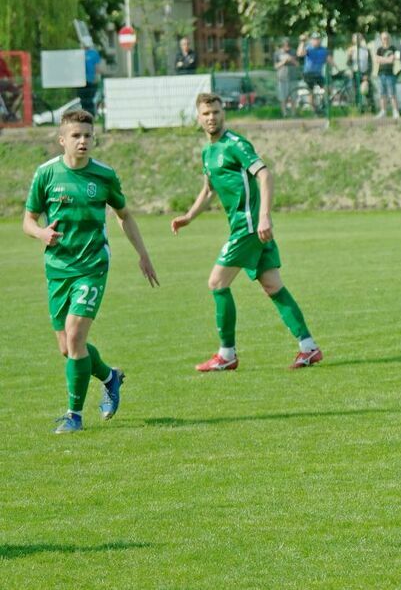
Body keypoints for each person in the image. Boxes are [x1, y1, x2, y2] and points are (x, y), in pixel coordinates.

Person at [23, 109, 159, 433]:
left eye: (87, 135)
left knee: (75, 336)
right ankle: (110, 377)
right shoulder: (46, 175)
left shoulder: (104, 175)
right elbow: (28, 220)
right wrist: (41, 233)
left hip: (93, 265)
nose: (82, 141)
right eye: (76, 136)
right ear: (62, 140)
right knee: (67, 348)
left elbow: (123, 215)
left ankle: (74, 416)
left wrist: (143, 254)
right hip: (57, 268)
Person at [170, 93, 323, 372]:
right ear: (198, 117)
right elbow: (209, 190)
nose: (211, 117)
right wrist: (189, 216)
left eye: (216, 112)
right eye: (206, 113)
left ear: (223, 113)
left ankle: (226, 354)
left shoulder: (236, 144)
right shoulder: (208, 151)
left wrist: (264, 216)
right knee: (273, 286)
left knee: (217, 283)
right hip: (248, 225)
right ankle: (308, 348)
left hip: (249, 224)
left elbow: (264, 175)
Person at [297, 32, 333, 112]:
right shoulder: (309, 48)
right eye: (314, 39)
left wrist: (337, 69)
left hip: (318, 74)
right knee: (311, 91)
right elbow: (300, 54)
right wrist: (302, 42)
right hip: (309, 74)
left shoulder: (323, 50)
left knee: (328, 88)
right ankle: (314, 110)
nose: (316, 41)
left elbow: (330, 60)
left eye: (318, 39)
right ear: (311, 40)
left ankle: (323, 103)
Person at [374, 30, 401, 119]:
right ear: (381, 39)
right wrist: (387, 59)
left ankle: (395, 111)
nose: (385, 40)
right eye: (383, 38)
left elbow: (393, 59)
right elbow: (377, 60)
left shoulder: (393, 48)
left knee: (392, 93)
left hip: (390, 74)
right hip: (380, 74)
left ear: (389, 39)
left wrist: (383, 59)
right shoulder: (379, 49)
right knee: (382, 94)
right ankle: (383, 111)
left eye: (386, 38)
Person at [273, 38, 300, 117]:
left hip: (293, 78)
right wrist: (284, 61)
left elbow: (297, 64)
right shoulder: (277, 53)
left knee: (293, 97)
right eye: (285, 45)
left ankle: (293, 113)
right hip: (282, 78)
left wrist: (291, 59)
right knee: (283, 97)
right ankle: (284, 114)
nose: (287, 47)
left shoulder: (294, 52)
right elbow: (275, 66)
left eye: (288, 45)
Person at [77, 43, 104, 117]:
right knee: (83, 99)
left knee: (89, 99)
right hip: (81, 80)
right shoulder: (79, 53)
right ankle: (85, 114)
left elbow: (97, 66)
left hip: (90, 80)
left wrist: (97, 77)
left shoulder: (93, 53)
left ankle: (90, 115)